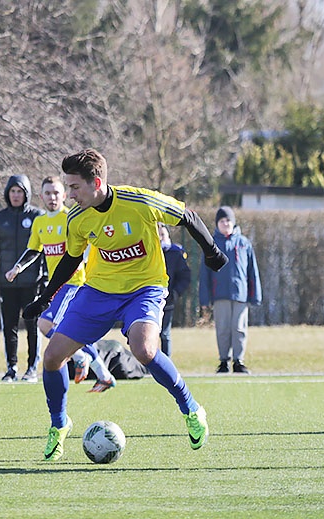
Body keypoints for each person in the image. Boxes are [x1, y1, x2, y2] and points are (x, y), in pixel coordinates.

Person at [22, 149, 228, 461]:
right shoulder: (77, 217)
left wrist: (211, 251)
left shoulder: (140, 201)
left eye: (74, 187)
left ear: (96, 182)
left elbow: (187, 215)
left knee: (144, 350)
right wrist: (46, 297)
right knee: (51, 357)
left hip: (145, 288)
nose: (69, 194)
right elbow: (71, 257)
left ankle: (190, 408)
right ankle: (59, 424)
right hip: (98, 292)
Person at [5, 176, 116, 391]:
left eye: (56, 193)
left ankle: (80, 356)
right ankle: (104, 375)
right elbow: (34, 250)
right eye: (48, 193)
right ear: (41, 197)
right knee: (74, 332)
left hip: (74, 283)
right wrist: (17, 268)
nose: (52, 197)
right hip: (55, 287)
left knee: (44, 324)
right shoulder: (40, 222)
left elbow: (88, 246)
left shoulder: (72, 217)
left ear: (64, 195)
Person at [0, 174, 46, 382]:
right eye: (13, 191)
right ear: (7, 194)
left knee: (32, 327)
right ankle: (12, 367)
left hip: (32, 283)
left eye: (20, 191)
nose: (16, 195)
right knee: (9, 326)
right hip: (7, 283)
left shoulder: (38, 216)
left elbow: (44, 250)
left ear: (26, 193)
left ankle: (31, 368)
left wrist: (45, 278)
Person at [198, 206, 262, 374]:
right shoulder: (211, 244)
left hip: (240, 294)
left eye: (228, 221)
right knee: (223, 329)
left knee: (239, 328)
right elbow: (204, 274)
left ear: (233, 223)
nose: (225, 224)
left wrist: (255, 295)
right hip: (220, 295)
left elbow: (252, 272)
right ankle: (224, 361)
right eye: (222, 221)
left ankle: (238, 361)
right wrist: (204, 299)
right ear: (217, 224)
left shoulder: (244, 243)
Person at [158, 223, 191, 357]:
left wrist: (176, 292)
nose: (160, 238)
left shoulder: (175, 253)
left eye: (163, 235)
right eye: (158, 235)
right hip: (150, 299)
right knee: (150, 334)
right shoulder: (148, 252)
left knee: (165, 334)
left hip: (168, 300)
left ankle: (166, 363)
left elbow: (184, 276)